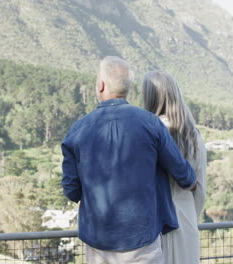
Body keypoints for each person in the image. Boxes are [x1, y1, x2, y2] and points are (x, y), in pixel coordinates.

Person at [61, 56, 197, 263]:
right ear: (127, 89)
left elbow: (71, 190)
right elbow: (183, 174)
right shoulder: (151, 124)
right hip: (143, 241)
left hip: (98, 242)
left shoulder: (77, 130)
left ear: (100, 85)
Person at [143, 70, 207, 264]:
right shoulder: (192, 135)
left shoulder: (145, 132)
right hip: (186, 215)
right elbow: (200, 186)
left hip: (153, 220)